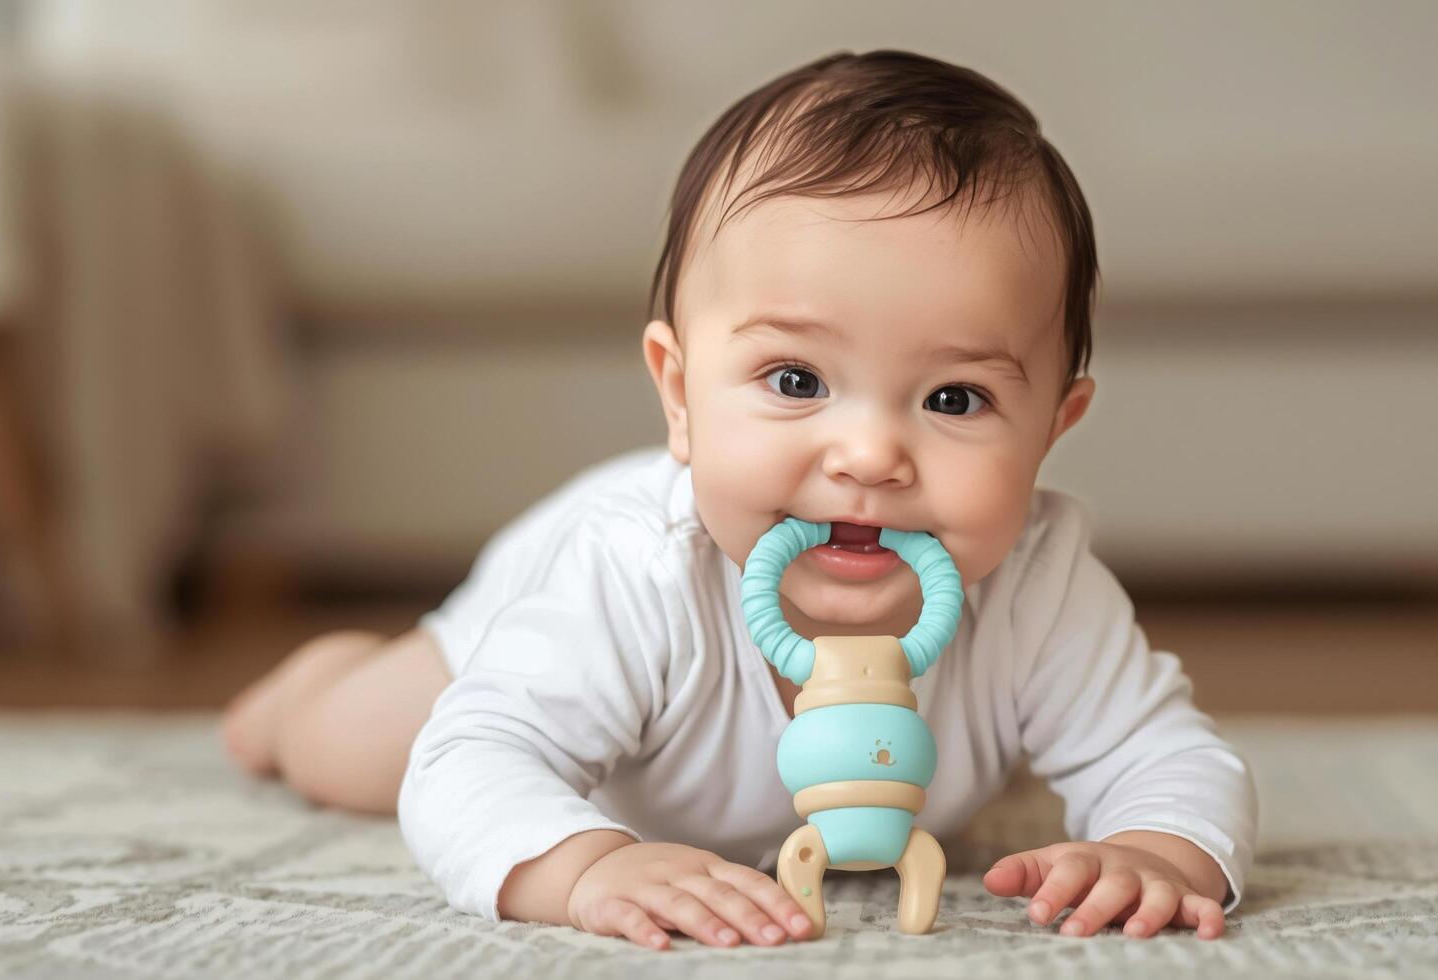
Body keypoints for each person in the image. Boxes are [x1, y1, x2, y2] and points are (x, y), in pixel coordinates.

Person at [222, 49, 1257, 950]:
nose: (866, 455)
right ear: (679, 393)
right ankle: (304, 688)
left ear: (1050, 430)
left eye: (954, 397)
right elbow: (471, 762)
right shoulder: (634, 569)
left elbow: (1166, 753)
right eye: (796, 380)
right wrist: (582, 865)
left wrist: (1153, 848)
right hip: (532, 610)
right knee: (357, 753)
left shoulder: (1038, 579)